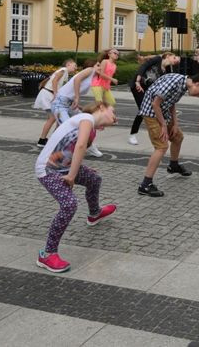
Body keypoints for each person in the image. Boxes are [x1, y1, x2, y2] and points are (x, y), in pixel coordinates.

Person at [34, 101, 118, 273]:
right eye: (113, 111)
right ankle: (47, 254)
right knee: (69, 205)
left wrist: (79, 168)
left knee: (94, 179)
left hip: (63, 166)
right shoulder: (86, 118)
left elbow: (71, 150)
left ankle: (94, 214)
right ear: (101, 107)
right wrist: (72, 175)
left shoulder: (91, 127)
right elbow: (79, 146)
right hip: (48, 170)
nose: (115, 117)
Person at [137, 73, 199, 197]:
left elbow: (171, 102)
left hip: (163, 112)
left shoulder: (183, 85)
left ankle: (173, 165)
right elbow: (155, 104)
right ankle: (145, 184)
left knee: (178, 137)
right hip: (151, 113)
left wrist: (175, 123)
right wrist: (164, 126)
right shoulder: (174, 82)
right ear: (197, 84)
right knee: (161, 146)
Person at [50, 61, 103, 158]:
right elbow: (76, 80)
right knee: (67, 127)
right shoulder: (90, 70)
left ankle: (89, 145)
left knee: (86, 122)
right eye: (98, 65)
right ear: (92, 66)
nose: (100, 67)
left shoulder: (94, 77)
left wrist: (80, 105)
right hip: (60, 103)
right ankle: (55, 150)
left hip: (69, 104)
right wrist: (77, 98)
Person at [128, 52, 180, 145]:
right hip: (138, 86)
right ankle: (132, 135)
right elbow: (143, 66)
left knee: (153, 110)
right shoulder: (157, 59)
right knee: (142, 109)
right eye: (174, 57)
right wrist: (137, 81)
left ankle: (161, 131)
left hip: (149, 90)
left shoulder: (168, 70)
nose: (176, 60)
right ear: (167, 56)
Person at [34, 59, 77, 147]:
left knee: (54, 118)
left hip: (47, 93)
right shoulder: (63, 70)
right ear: (68, 64)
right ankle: (43, 140)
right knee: (53, 118)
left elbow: (54, 80)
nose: (76, 67)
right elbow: (54, 81)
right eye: (74, 65)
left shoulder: (63, 71)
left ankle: (48, 139)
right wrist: (55, 94)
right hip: (48, 95)